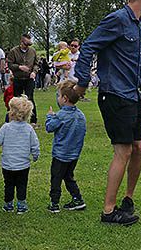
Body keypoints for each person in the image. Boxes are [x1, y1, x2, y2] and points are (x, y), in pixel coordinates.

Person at [73, 0, 141, 226]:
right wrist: (82, 80)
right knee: (123, 151)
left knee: (139, 147)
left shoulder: (139, 27)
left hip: (132, 96)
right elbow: (88, 46)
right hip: (114, 95)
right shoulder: (118, 20)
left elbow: (139, 66)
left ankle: (128, 199)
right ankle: (109, 211)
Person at [0, 95, 40, 214]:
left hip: (7, 164)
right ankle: (21, 205)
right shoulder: (29, 129)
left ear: (11, 113)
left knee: (8, 185)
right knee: (21, 185)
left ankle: (8, 205)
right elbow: (35, 144)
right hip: (23, 165)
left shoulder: (6, 127)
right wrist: (35, 155)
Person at [45, 80, 87, 213]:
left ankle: (54, 203)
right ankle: (77, 198)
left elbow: (49, 127)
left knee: (56, 178)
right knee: (68, 177)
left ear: (64, 98)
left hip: (60, 154)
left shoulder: (61, 115)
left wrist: (50, 116)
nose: (58, 98)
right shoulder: (80, 115)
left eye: (58, 95)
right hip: (74, 154)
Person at [7, 34, 38, 124]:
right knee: (16, 99)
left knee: (30, 98)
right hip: (18, 78)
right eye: (25, 44)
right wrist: (19, 67)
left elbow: (36, 64)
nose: (27, 46)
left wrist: (34, 72)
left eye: (28, 44)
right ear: (21, 42)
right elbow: (9, 64)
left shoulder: (33, 51)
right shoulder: (13, 51)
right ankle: (15, 119)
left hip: (29, 79)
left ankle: (33, 120)